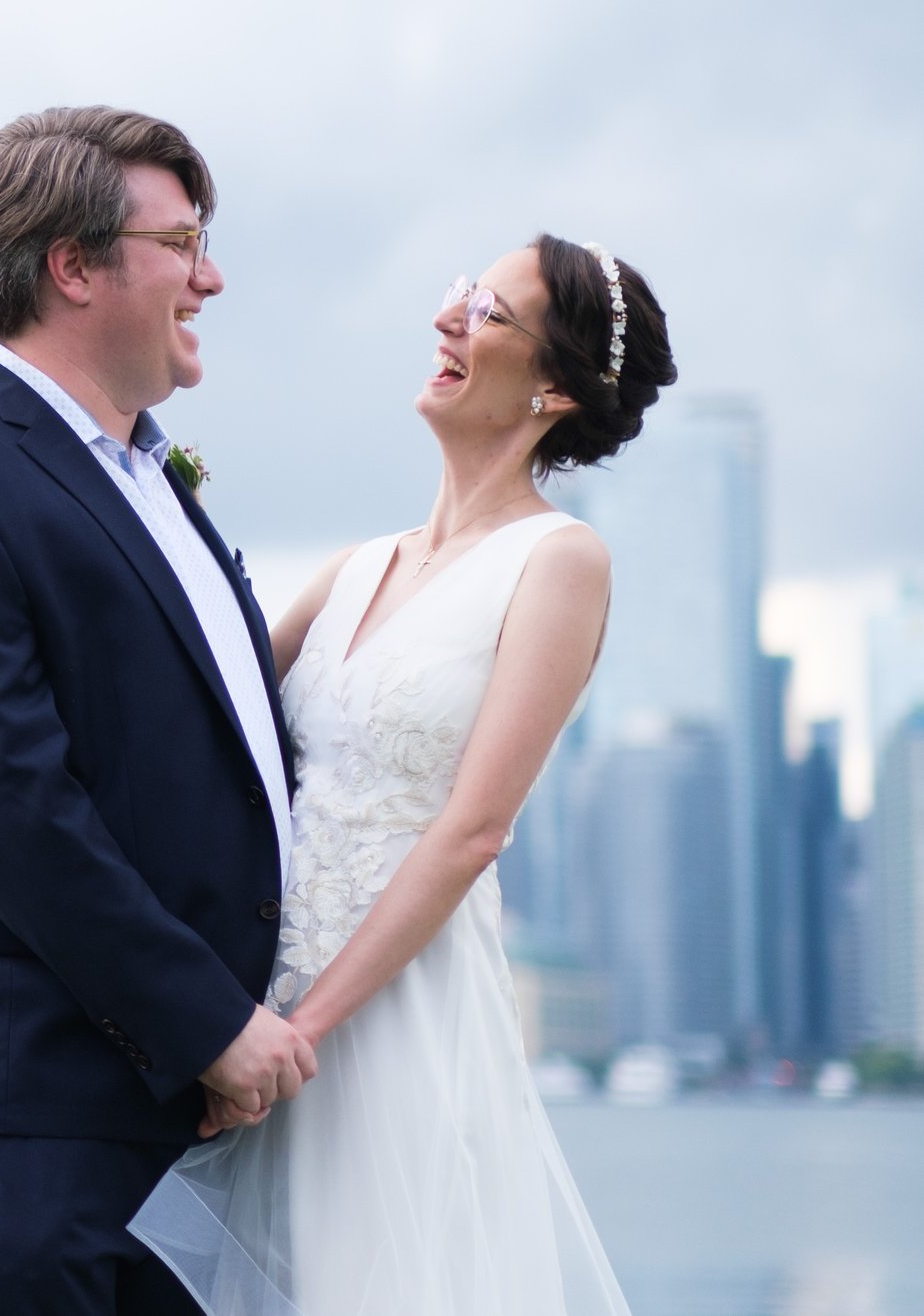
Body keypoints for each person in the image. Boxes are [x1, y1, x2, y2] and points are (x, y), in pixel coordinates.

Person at [126, 234, 673, 1315]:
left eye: (490, 313)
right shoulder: (357, 563)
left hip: (383, 1030)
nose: (448, 317)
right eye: (462, 293)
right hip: (254, 1011)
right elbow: (197, 724)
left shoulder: (559, 561)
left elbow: (473, 829)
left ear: (554, 388)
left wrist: (303, 1033)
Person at [0, 106, 312, 1316]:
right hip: (30, 1111)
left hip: (171, 1103)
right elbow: (13, 806)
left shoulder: (155, 476)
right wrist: (211, 1022)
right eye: (182, 241)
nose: (209, 276)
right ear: (71, 265)